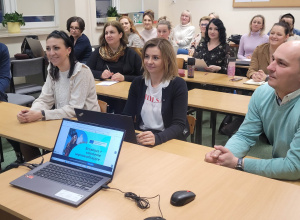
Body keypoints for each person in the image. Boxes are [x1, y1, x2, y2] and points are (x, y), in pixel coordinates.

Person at [205, 40, 300, 180]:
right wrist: (223, 155)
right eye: (273, 59)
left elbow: (293, 167)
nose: (270, 67)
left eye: (281, 63)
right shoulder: (263, 93)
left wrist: (238, 163)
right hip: (283, 177)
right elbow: (245, 135)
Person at [16, 30, 100, 161]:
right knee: (24, 139)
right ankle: (40, 170)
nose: (51, 53)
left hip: (84, 126)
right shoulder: (53, 68)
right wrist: (30, 113)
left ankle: (47, 167)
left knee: (59, 149)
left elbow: (74, 109)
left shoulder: (81, 71)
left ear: (68, 50)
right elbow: (45, 98)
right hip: (63, 121)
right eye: (48, 49)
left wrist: (42, 114)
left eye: (56, 48)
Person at [122, 38, 189, 146]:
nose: (149, 62)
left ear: (167, 60)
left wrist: (157, 138)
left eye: (156, 58)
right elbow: (127, 116)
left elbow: (179, 125)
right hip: (143, 136)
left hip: (168, 139)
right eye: (146, 56)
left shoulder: (177, 84)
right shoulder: (138, 83)